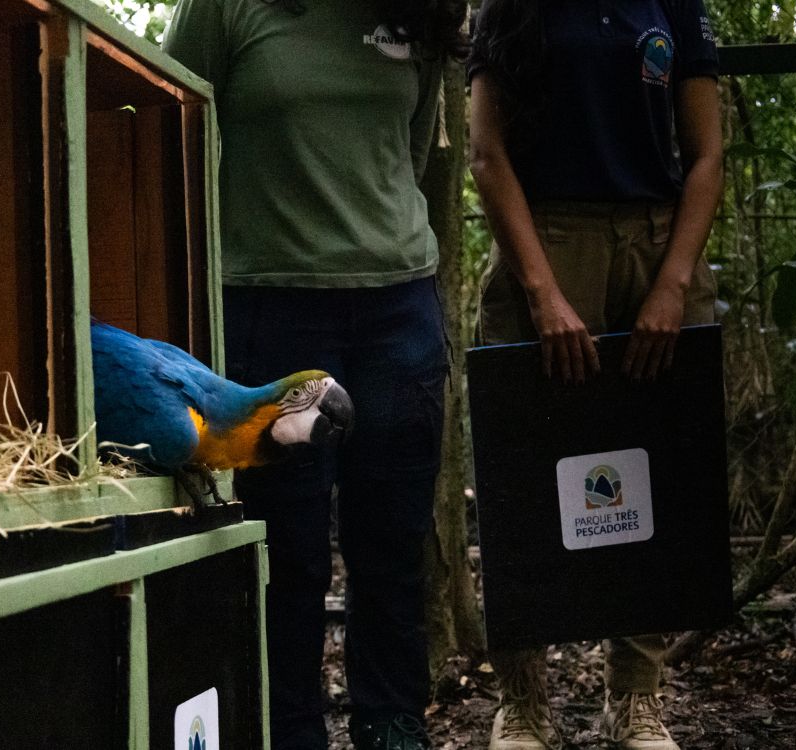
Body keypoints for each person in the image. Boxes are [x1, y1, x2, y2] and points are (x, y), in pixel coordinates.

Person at [163, 0, 467, 748]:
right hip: (271, 306)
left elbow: (414, 148)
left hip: (398, 309)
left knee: (391, 543)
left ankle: (392, 724)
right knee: (284, 548)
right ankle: (287, 729)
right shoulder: (227, 9)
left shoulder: (420, 8)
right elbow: (169, 127)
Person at [465, 1, 723, 749]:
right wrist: (541, 292)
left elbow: (705, 153)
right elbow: (487, 152)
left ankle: (636, 695)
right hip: (545, 238)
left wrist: (674, 281)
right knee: (524, 467)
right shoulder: (509, 9)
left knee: (657, 465)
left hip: (656, 240)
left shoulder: (672, 3)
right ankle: (522, 700)